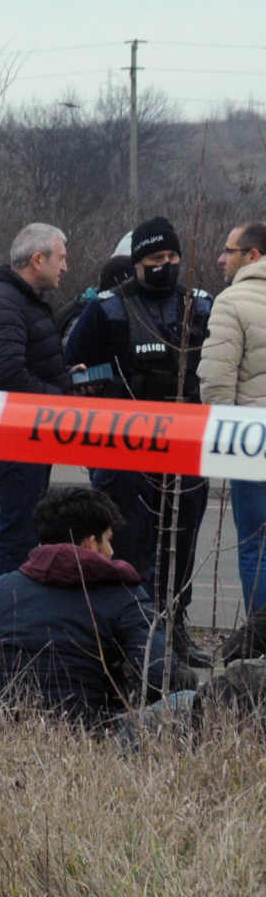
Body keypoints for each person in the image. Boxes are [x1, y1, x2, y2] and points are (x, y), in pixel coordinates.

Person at [0, 485, 171, 729]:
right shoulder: (124, 594)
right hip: (94, 733)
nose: (112, 551)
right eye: (108, 540)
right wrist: (115, 708)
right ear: (90, 544)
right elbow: (159, 672)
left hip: (3, 731)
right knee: (187, 697)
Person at [65, 216, 213, 626]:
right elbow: (73, 368)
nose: (165, 263)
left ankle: (174, 628)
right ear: (137, 262)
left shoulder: (199, 306)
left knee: (181, 544)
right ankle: (125, 627)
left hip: (184, 447)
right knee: (127, 544)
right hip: (124, 452)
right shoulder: (107, 309)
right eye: (155, 257)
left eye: (171, 255)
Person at [0, 222, 75, 576]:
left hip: (30, 437)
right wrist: (57, 398)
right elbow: (5, 376)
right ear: (37, 259)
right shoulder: (3, 302)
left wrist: (68, 377)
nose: (65, 267)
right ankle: (7, 623)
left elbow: (26, 365)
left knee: (27, 536)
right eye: (61, 258)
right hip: (17, 440)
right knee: (17, 540)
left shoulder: (23, 302)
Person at [201, 221, 266, 611]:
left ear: (253, 256)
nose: (221, 258)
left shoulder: (231, 301)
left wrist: (223, 441)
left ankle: (260, 645)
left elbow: (216, 382)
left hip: (252, 440)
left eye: (230, 251)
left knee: (256, 544)